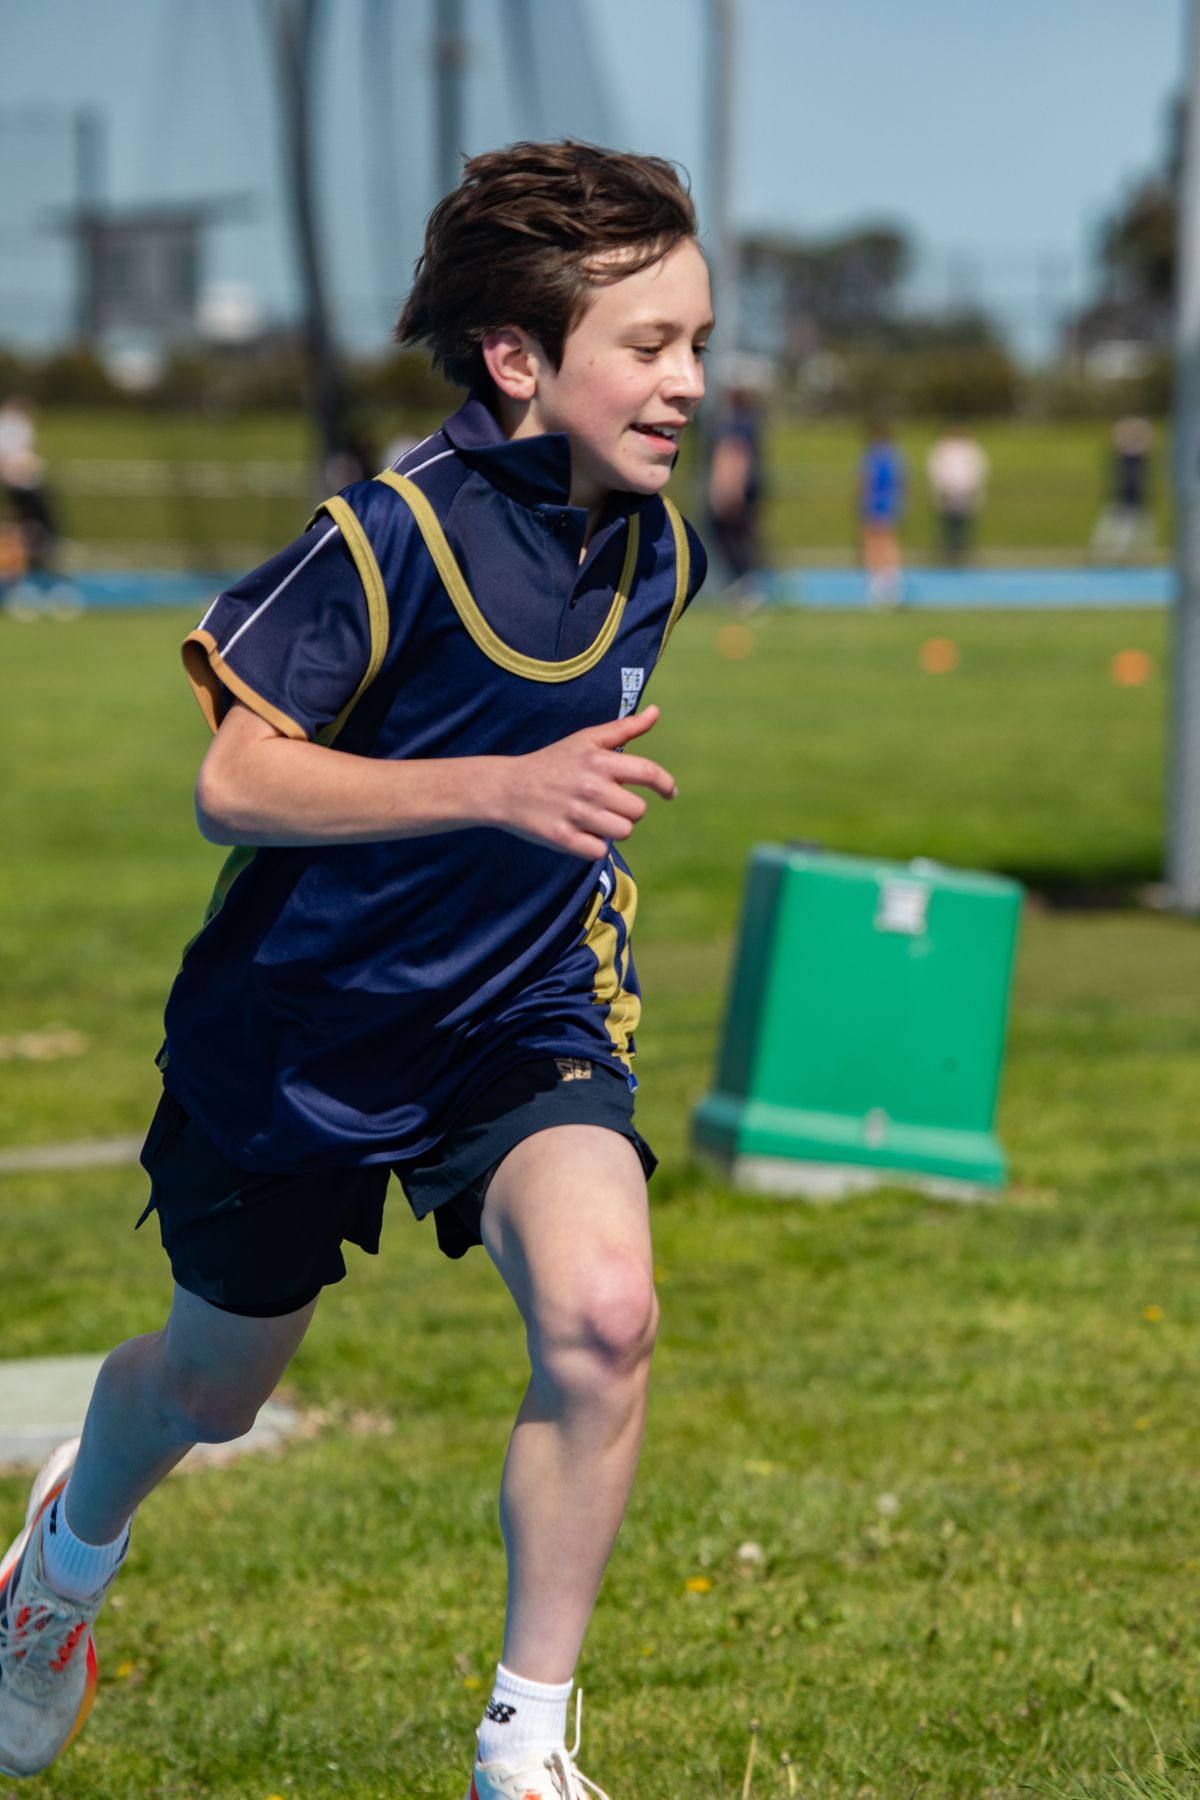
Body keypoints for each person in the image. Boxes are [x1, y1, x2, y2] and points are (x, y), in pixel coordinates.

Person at [0, 140, 711, 1800]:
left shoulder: (657, 548)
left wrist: (546, 841)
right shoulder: (389, 536)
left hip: (520, 1011)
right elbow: (234, 782)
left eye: (697, 340)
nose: (688, 380)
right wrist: (498, 791)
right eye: (650, 344)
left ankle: (524, 1746)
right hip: (300, 1030)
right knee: (210, 1389)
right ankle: (61, 1563)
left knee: (606, 1316)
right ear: (518, 356)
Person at [706, 356, 767, 602]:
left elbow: (734, 454)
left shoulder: (734, 420)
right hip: (750, 486)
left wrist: (729, 488)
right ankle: (743, 584)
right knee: (742, 536)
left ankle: (742, 586)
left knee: (731, 536)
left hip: (737, 486)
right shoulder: (749, 417)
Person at [0, 394, 60, 578]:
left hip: (24, 481)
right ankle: (30, 557)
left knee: (31, 522)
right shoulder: (13, 425)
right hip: (22, 482)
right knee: (31, 521)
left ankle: (33, 555)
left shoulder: (16, 425)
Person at [1091, 414, 1154, 562]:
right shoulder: (1122, 454)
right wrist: (1126, 427)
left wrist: (1139, 427)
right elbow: (1116, 438)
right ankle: (1105, 554)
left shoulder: (1140, 454)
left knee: (1141, 527)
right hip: (1120, 495)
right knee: (1112, 524)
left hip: (1138, 496)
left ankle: (1137, 555)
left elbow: (1148, 439)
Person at [857, 417, 905, 607]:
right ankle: (891, 584)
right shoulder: (895, 456)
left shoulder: (872, 456)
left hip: (875, 505)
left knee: (874, 543)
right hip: (890, 504)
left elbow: (865, 481)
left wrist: (862, 502)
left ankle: (878, 585)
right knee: (888, 542)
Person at [926, 420, 988, 564]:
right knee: (947, 524)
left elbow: (979, 469)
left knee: (964, 524)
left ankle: (963, 553)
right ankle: (947, 553)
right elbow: (935, 470)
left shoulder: (971, 449)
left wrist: (972, 487)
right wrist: (941, 487)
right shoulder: (941, 449)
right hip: (947, 491)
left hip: (965, 491)